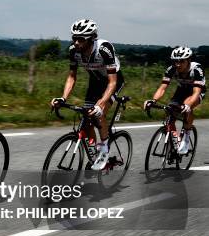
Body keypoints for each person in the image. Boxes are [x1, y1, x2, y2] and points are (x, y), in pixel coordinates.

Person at [50, 19, 125, 171]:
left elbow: (112, 82)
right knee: (86, 116)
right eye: (74, 38)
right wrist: (63, 98)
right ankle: (94, 149)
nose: (76, 42)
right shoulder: (73, 51)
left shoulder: (104, 49)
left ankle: (104, 149)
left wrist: (101, 104)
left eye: (80, 39)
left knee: (99, 113)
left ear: (91, 38)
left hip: (113, 81)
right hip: (95, 81)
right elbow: (72, 77)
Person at [143, 46, 205, 154]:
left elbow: (196, 92)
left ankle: (186, 138)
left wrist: (188, 106)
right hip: (182, 89)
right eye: (175, 61)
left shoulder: (196, 69)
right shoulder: (171, 69)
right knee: (170, 111)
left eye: (181, 61)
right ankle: (175, 141)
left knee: (186, 106)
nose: (178, 64)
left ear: (189, 60)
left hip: (197, 91)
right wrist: (153, 100)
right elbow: (162, 88)